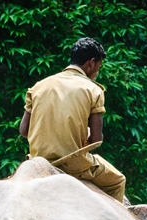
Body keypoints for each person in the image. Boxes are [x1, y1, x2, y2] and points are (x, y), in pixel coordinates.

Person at [19, 37, 126, 203]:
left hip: (37, 162)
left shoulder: (39, 86)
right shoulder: (93, 90)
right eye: (99, 66)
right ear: (91, 63)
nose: (97, 71)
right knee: (118, 181)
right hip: (72, 164)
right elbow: (96, 140)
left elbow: (24, 130)